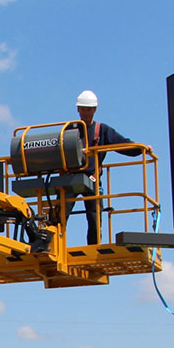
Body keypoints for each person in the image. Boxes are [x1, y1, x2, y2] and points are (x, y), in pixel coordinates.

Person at [69, 89, 144, 245]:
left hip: (91, 178)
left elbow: (122, 144)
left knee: (95, 217)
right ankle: (50, 244)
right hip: (70, 178)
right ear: (78, 109)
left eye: (88, 109)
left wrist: (140, 149)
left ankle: (94, 247)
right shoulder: (69, 130)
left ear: (95, 110)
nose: (85, 113)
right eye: (83, 109)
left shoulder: (102, 131)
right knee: (58, 214)